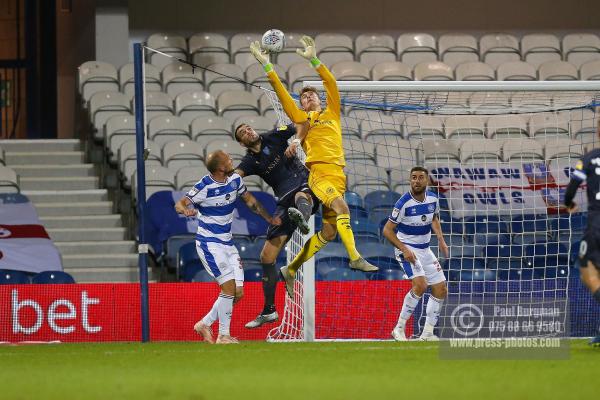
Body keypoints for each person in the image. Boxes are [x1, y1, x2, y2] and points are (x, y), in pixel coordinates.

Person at [250, 35, 378, 296]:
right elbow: (284, 96)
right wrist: (267, 67)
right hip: (319, 174)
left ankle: (291, 268)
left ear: (318, 98)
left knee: (329, 233)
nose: (307, 98)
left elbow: (330, 83)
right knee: (342, 208)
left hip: (339, 174)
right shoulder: (301, 118)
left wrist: (314, 60)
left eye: (311, 95)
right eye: (304, 97)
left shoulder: (332, 113)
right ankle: (355, 257)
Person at [175, 150, 280, 344]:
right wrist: (185, 210)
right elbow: (179, 204)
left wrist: (269, 219)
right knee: (229, 289)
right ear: (221, 167)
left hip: (227, 243)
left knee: (238, 293)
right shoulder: (204, 186)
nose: (232, 161)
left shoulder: (235, 181)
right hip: (209, 243)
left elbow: (250, 201)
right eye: (228, 159)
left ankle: (204, 324)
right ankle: (223, 336)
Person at [234, 122, 319, 328]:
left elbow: (302, 123)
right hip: (284, 201)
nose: (248, 131)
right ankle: (269, 311)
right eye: (243, 132)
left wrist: (297, 140)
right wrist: (228, 180)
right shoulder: (250, 161)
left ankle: (303, 217)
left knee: (302, 196)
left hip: (305, 183)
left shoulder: (274, 135)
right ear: (241, 142)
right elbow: (235, 176)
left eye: (248, 127)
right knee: (266, 256)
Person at [382, 167, 449, 341]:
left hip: (425, 249)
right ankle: (398, 328)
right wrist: (405, 250)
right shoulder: (403, 203)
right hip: (407, 248)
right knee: (420, 285)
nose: (416, 181)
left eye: (420, 178)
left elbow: (433, 217)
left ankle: (427, 333)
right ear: (410, 180)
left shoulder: (433, 198)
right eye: (413, 178)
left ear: (426, 181)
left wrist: (441, 239)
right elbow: (387, 230)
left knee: (441, 288)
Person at [564, 122, 600, 346]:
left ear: (598, 132)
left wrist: (569, 203)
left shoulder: (589, 158)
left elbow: (572, 188)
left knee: (588, 274)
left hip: (597, 224)